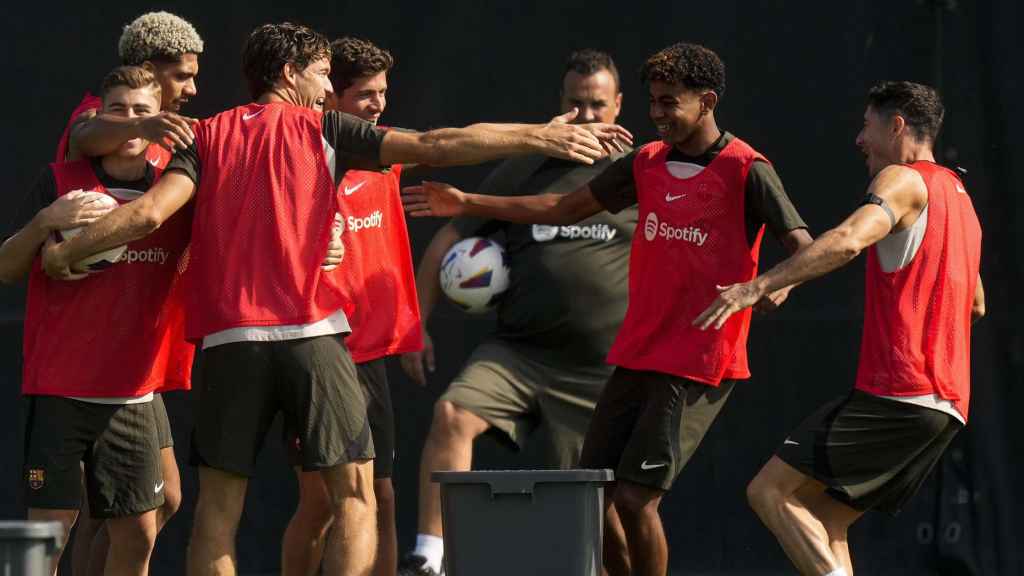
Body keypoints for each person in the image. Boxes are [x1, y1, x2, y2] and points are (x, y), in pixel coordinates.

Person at [41, 22, 630, 576]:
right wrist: (538, 135)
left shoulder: (208, 134)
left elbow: (146, 214)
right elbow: (436, 144)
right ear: (292, 72)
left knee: (217, 513)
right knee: (356, 495)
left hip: (227, 345)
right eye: (323, 73)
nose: (327, 87)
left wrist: (68, 251)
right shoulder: (322, 127)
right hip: (309, 335)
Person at [401, 42, 813, 576]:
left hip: (693, 361)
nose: (658, 114)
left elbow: (806, 249)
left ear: (707, 101)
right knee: (591, 495)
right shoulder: (646, 163)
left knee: (637, 502)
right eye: (655, 102)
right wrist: (469, 203)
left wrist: (773, 283)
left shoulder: (746, 169)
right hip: (632, 354)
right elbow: (562, 207)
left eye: (671, 103)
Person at [694, 81, 984, 576]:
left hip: (900, 392)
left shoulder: (903, 178)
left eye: (866, 125)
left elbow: (849, 239)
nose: (858, 139)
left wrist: (757, 286)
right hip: (946, 408)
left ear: (896, 126)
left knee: (768, 492)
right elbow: (976, 303)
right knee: (827, 523)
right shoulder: (963, 204)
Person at [397, 49, 634, 576]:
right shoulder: (527, 167)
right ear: (561, 105)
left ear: (619, 106)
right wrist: (415, 325)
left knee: (603, 522)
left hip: (599, 372)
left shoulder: (636, 172)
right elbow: (447, 241)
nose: (589, 117)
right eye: (578, 105)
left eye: (599, 105)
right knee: (452, 415)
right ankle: (429, 558)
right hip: (520, 353)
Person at [3, 66, 194, 575]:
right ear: (97, 117)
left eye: (142, 112)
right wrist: (47, 222)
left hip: (131, 394)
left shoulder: (172, 194)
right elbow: (5, 267)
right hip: (61, 389)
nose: (130, 121)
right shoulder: (62, 182)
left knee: (138, 536)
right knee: (47, 534)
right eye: (118, 110)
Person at [52, 12, 204, 575]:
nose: (192, 88)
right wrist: (145, 123)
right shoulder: (102, 118)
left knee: (161, 502)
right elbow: (87, 133)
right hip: (95, 355)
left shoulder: (166, 136)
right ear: (150, 68)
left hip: (142, 352)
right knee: (99, 514)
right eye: (183, 75)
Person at [279, 36, 416, 576]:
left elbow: (446, 143)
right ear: (330, 98)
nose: (378, 105)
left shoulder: (387, 156)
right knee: (320, 504)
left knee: (381, 495)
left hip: (370, 356)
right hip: (318, 351)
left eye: (383, 92)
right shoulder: (298, 164)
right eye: (365, 95)